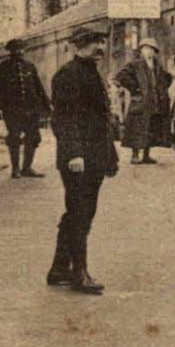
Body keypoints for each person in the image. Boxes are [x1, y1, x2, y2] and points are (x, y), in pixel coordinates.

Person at [48, 28, 119, 295]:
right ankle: (79, 272)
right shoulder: (68, 75)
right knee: (80, 213)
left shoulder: (91, 73)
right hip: (78, 158)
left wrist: (109, 155)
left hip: (95, 156)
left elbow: (101, 120)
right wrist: (75, 153)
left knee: (79, 212)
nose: (100, 47)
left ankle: (58, 269)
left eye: (102, 42)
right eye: (93, 43)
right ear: (78, 46)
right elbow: (64, 119)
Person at [0, 37, 48, 179]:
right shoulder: (2, 68)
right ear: (10, 51)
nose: (19, 52)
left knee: (33, 137)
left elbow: (38, 87)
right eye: (16, 49)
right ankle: (15, 169)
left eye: (21, 49)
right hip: (12, 109)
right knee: (14, 137)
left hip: (31, 108)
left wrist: (47, 105)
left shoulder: (30, 66)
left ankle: (27, 168)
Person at [114, 38, 169, 165]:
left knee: (151, 127)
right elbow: (121, 76)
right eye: (146, 49)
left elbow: (166, 78)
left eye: (152, 49)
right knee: (137, 127)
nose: (149, 52)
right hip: (140, 101)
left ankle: (146, 155)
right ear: (141, 51)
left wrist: (162, 90)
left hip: (154, 102)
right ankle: (135, 155)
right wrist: (135, 88)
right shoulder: (135, 64)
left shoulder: (157, 65)